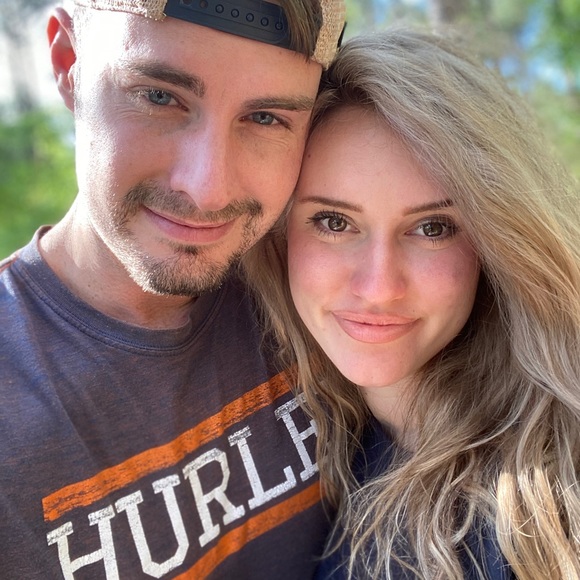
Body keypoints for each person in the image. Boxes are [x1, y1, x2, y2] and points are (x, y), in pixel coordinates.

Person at [0, 0, 346, 577]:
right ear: (67, 61)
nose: (207, 190)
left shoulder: (336, 296)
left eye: (266, 118)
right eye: (160, 96)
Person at [243, 27, 580, 579]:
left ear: (497, 240)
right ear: (280, 237)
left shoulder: (545, 497)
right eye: (334, 222)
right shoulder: (334, 438)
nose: (379, 287)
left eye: (432, 227)